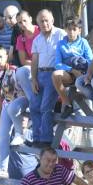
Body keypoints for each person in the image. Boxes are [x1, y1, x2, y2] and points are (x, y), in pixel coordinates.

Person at [0, 46, 28, 180]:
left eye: (1, 56)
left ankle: (20, 132)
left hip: (19, 101)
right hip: (7, 103)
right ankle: (2, 168)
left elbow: (24, 89)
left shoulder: (14, 70)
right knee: (3, 135)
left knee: (14, 113)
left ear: (7, 56)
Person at [27, 10, 66, 147]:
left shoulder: (61, 34)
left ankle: (46, 139)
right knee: (33, 107)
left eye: (46, 20)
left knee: (45, 107)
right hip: (40, 74)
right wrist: (33, 79)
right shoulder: (37, 39)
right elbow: (34, 61)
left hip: (54, 74)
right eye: (41, 21)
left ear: (52, 20)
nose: (44, 23)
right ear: (37, 23)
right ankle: (36, 138)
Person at [54, 18, 93, 119]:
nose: (71, 32)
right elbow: (57, 64)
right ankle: (67, 104)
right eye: (69, 29)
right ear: (65, 30)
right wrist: (72, 70)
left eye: (74, 29)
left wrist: (86, 74)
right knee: (55, 75)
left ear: (79, 30)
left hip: (83, 73)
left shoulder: (84, 42)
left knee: (84, 108)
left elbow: (90, 60)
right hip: (69, 73)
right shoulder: (60, 44)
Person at [13, 11, 40, 103]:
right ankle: (33, 100)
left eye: (25, 20)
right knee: (20, 72)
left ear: (31, 19)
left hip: (48, 65)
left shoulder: (41, 31)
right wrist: (36, 64)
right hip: (33, 66)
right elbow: (23, 61)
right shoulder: (20, 39)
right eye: (20, 22)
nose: (23, 24)